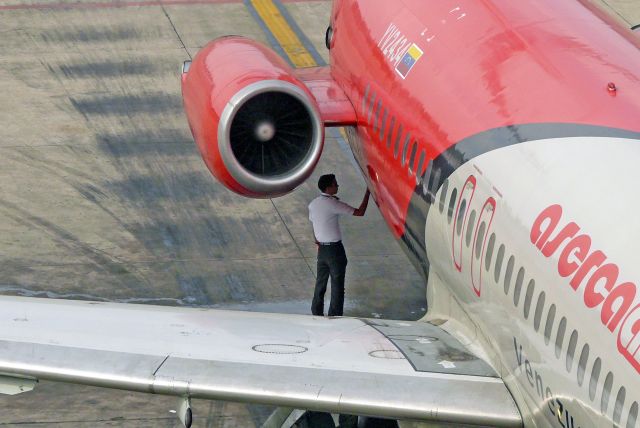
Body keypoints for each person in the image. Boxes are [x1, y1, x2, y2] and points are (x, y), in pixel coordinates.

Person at [308, 174, 370, 316]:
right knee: (337, 286)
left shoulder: (313, 204)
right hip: (335, 251)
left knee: (320, 284)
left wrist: (318, 241)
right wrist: (368, 192)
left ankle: (316, 313)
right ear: (328, 187)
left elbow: (314, 225)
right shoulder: (333, 204)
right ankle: (334, 315)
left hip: (322, 250)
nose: (338, 186)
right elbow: (360, 212)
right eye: (335, 184)